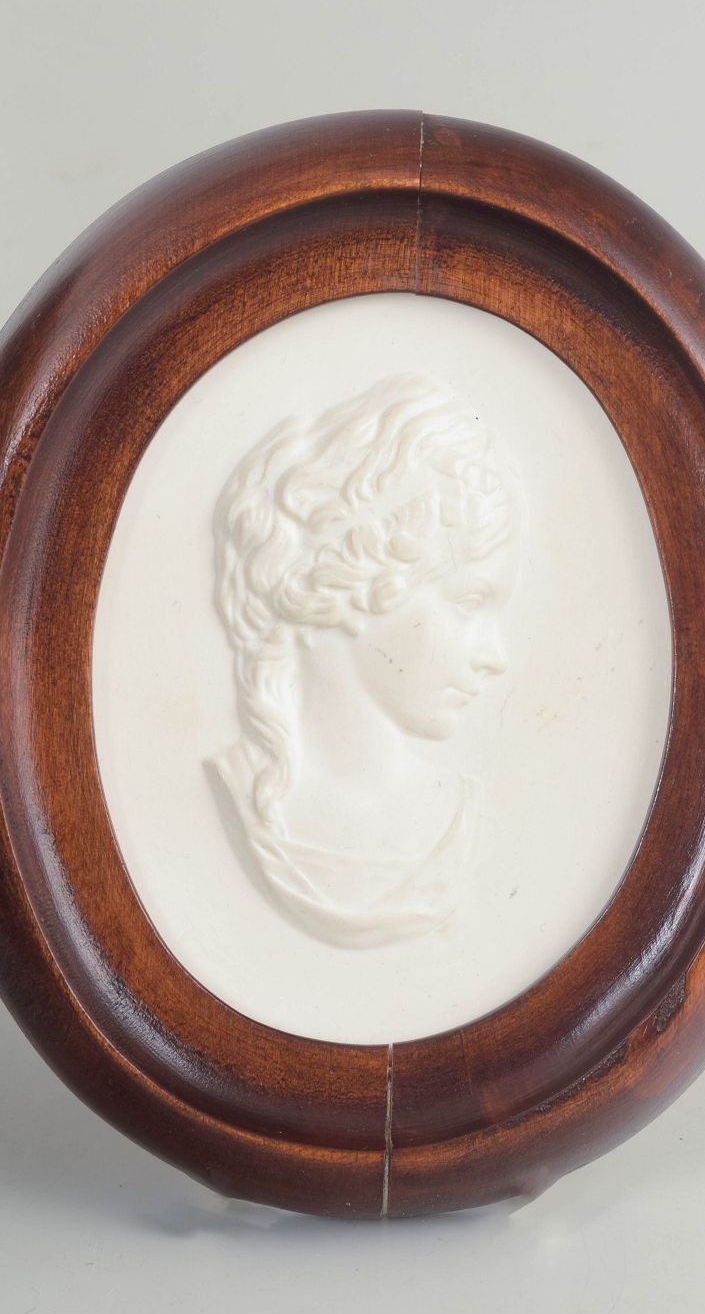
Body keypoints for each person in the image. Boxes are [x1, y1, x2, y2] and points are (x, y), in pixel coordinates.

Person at [208, 374, 524, 948]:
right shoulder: (236, 791)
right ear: (358, 579)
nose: (494, 657)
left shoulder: (461, 815)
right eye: (468, 603)